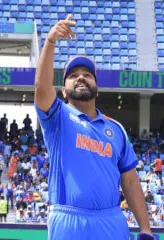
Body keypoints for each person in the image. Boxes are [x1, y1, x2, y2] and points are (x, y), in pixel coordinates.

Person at [34, 14, 153, 240]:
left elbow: (129, 180)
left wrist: (145, 229)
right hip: (69, 221)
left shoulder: (115, 128)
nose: (81, 78)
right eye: (73, 76)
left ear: (97, 88)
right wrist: (50, 42)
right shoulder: (57, 117)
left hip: (111, 221)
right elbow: (41, 86)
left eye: (88, 75)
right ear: (63, 91)